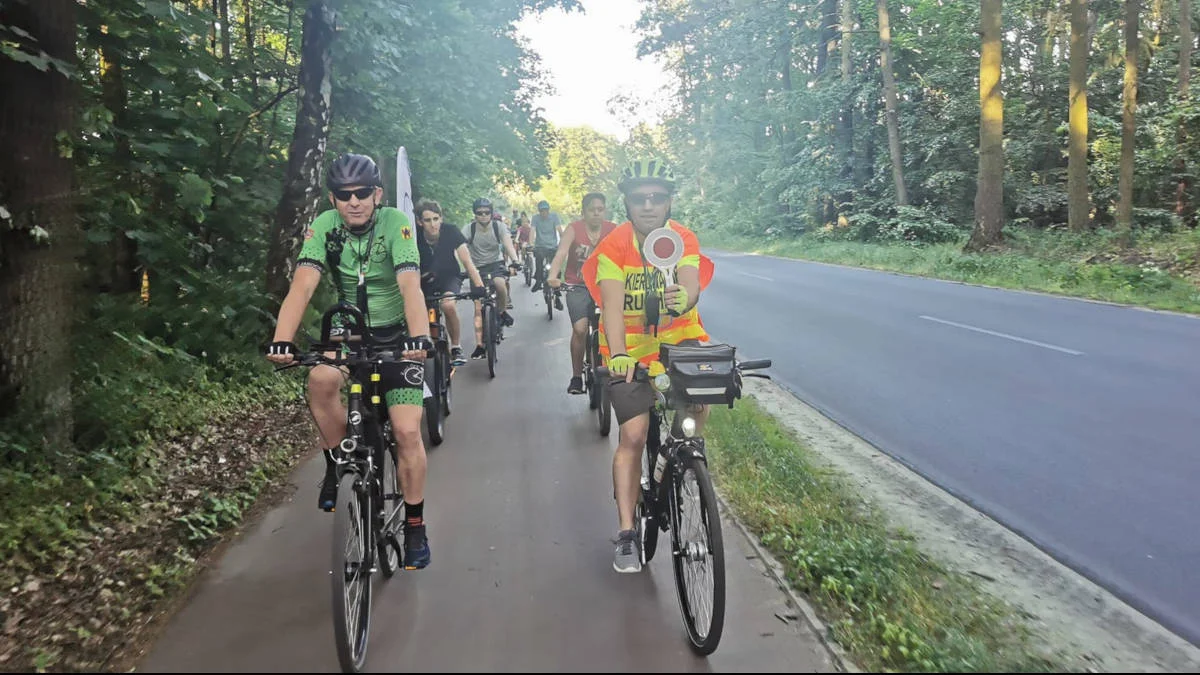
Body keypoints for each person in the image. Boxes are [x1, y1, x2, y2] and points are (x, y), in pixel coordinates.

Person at [266, 153, 434, 569]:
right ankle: (337, 461)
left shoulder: (396, 222)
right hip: (349, 330)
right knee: (320, 382)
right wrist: (282, 340)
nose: (354, 201)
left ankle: (414, 525)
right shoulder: (324, 227)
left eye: (362, 193)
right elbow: (303, 286)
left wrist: (420, 336)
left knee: (407, 431)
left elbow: (409, 284)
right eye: (344, 195)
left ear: (377, 194)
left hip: (397, 335)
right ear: (333, 199)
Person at [581, 158, 712, 573]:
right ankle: (626, 533)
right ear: (627, 204)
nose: (649, 205)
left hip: (680, 344)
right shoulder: (614, 246)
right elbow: (612, 306)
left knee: (697, 408)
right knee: (634, 434)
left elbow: (691, 283)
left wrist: (684, 299)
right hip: (629, 354)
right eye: (640, 199)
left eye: (657, 198)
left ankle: (680, 455)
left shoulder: (682, 238)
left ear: (670, 202)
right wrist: (618, 353)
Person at [547, 192, 617, 394]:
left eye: (600, 209)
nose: (596, 213)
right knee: (580, 329)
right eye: (591, 210)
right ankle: (577, 376)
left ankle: (615, 368)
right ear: (583, 212)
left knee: (613, 325)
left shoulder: (613, 229)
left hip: (605, 285)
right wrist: (553, 275)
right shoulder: (573, 229)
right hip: (576, 285)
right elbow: (561, 253)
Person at [415, 198, 487, 366]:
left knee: (448, 305)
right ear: (419, 222)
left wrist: (479, 285)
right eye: (427, 220)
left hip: (449, 277)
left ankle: (456, 347)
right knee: (418, 311)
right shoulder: (413, 235)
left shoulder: (451, 231)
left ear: (441, 218)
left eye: (435, 219)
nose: (433, 224)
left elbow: (467, 261)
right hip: (423, 279)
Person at [464, 197, 521, 360]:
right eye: (479, 213)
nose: (483, 216)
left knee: (500, 284)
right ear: (475, 214)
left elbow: (508, 244)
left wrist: (515, 261)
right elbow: (460, 248)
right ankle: (480, 346)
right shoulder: (469, 229)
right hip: (476, 268)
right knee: (477, 308)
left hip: (495, 264)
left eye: (486, 212)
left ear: (491, 213)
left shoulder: (499, 226)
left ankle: (502, 312)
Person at [528, 200, 562, 292]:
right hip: (540, 246)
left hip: (552, 246)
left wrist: (563, 242)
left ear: (548, 210)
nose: (544, 212)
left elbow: (559, 230)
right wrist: (531, 244)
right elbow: (532, 231)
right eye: (542, 210)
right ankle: (538, 281)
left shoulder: (554, 217)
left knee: (556, 265)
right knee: (538, 262)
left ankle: (557, 286)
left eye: (546, 210)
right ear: (539, 211)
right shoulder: (535, 218)